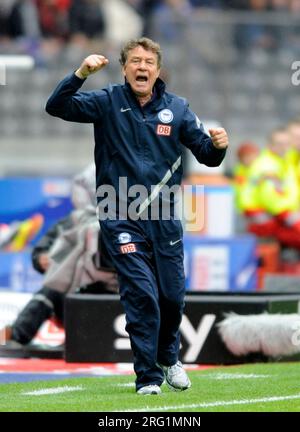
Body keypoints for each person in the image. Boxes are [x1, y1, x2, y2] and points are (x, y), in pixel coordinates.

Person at [45, 37, 229, 395]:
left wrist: (219, 147)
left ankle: (169, 356)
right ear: (124, 67)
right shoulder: (107, 101)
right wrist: (80, 73)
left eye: (148, 62)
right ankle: (148, 377)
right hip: (119, 214)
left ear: (158, 71)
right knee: (141, 293)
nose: (142, 67)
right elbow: (57, 106)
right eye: (135, 61)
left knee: (172, 297)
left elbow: (206, 155)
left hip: (164, 219)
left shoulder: (178, 109)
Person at [1, 164, 118, 348]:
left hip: (123, 296)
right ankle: (15, 337)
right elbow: (41, 252)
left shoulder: (133, 222)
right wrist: (41, 259)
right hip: (78, 297)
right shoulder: (71, 223)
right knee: (50, 291)